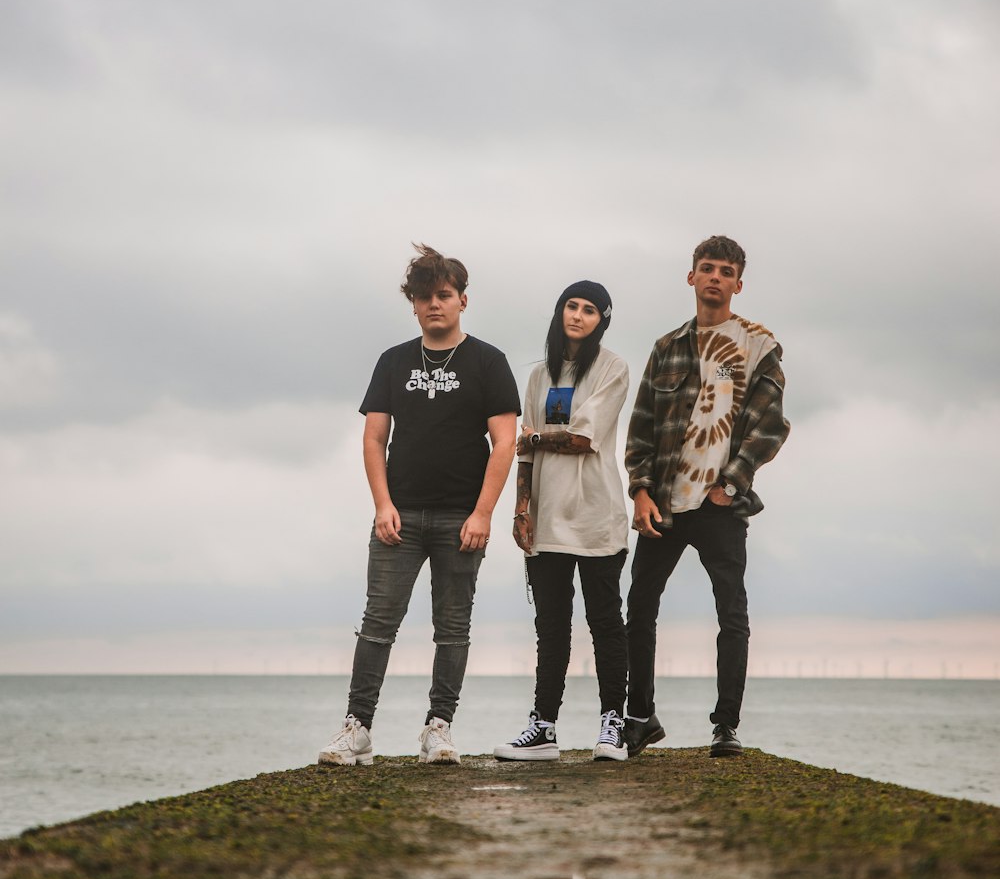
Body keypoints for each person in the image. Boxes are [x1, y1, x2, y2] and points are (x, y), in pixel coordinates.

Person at [319, 244, 519, 767]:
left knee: (453, 629)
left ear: (462, 300)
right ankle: (357, 729)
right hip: (399, 517)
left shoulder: (487, 361)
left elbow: (505, 442)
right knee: (378, 624)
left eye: (444, 295)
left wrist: (483, 513)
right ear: (413, 304)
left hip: (461, 519)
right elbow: (373, 438)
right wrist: (383, 505)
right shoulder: (393, 361)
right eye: (424, 297)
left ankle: (439, 728)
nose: (435, 304)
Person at [623, 235, 789, 759]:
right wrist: (641, 491)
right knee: (640, 605)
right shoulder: (666, 348)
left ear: (739, 283)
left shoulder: (760, 345)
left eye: (725, 271)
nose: (715, 277)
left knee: (730, 612)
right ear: (690, 277)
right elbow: (642, 426)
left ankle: (726, 726)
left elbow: (770, 427)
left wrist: (730, 485)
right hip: (667, 503)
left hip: (721, 504)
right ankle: (640, 715)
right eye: (706, 268)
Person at [495, 280, 630, 763]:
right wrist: (520, 507)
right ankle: (544, 726)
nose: (577, 315)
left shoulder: (613, 368)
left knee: (606, 624)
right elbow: (522, 455)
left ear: (602, 319)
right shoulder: (538, 377)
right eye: (570, 306)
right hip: (546, 519)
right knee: (551, 628)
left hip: (596, 516)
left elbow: (582, 439)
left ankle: (613, 724)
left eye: (589, 309)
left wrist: (534, 437)